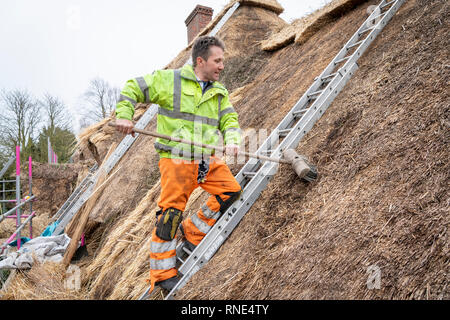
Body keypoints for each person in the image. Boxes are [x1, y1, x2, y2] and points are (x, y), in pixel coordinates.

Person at [114, 36, 242, 293]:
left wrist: (232, 139)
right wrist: (124, 115)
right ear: (201, 61)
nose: (221, 66)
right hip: (176, 160)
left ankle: (193, 231)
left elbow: (229, 119)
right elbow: (133, 87)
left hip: (206, 160)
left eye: (222, 62)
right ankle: (161, 274)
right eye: (217, 61)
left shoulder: (219, 92)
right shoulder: (170, 81)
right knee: (170, 213)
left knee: (231, 191)